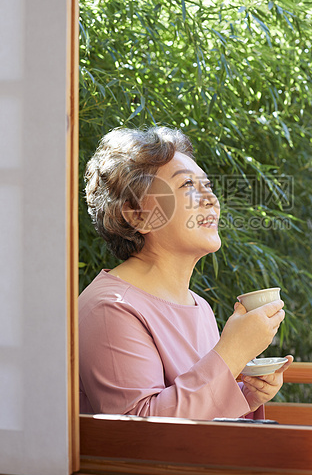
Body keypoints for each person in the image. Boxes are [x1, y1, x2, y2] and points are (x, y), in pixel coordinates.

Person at [79, 126, 292, 420]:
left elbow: (198, 414)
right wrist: (232, 352)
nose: (210, 200)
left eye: (208, 186)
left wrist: (247, 396)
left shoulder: (199, 307)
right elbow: (140, 435)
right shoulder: (111, 308)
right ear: (138, 215)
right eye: (188, 186)